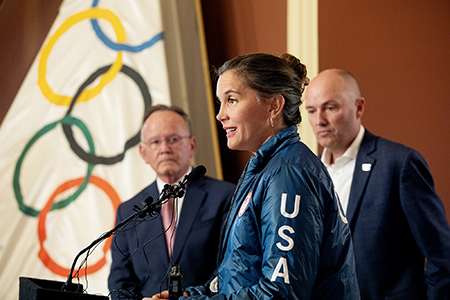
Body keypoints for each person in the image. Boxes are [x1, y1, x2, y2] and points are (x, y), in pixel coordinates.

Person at [151, 53, 360, 300]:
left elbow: (281, 293)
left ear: (274, 106)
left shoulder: (289, 175)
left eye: (231, 100)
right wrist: (190, 297)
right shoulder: (267, 168)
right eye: (221, 102)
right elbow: (237, 275)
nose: (220, 115)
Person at [304, 68, 450, 300]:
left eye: (330, 108)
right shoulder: (306, 174)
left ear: (359, 107)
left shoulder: (399, 164)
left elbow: (441, 255)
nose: (319, 120)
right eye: (311, 110)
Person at [108, 105, 236, 300]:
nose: (165, 149)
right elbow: (120, 282)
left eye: (173, 139)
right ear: (144, 153)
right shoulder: (129, 212)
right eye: (155, 142)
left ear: (192, 145)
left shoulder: (225, 196)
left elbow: (229, 265)